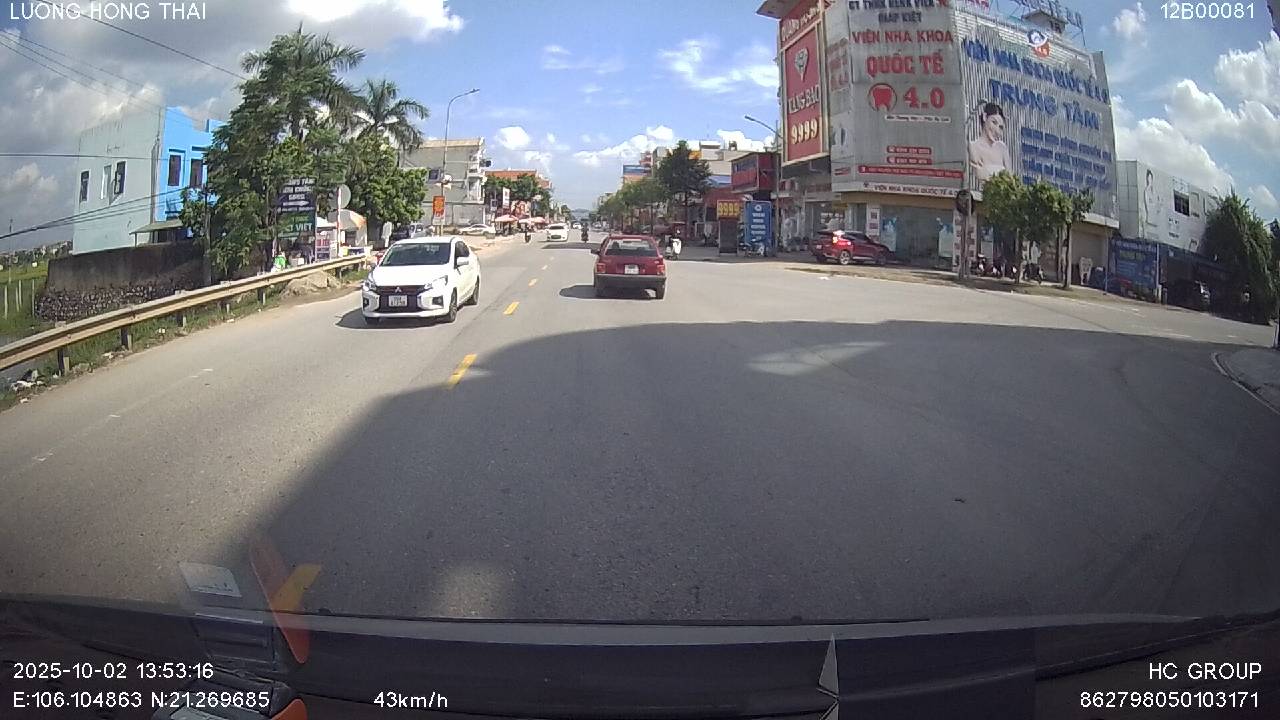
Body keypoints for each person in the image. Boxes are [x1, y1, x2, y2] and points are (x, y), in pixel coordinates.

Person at [968, 102, 1013, 187]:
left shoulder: (1002, 148)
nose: (996, 130)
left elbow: (1011, 180)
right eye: (994, 122)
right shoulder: (973, 146)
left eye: (1000, 127)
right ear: (985, 117)